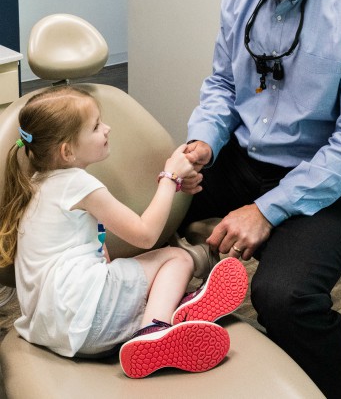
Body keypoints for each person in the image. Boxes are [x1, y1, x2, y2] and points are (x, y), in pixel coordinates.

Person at [180, 0, 341, 398]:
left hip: (332, 182)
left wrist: (267, 209)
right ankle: (153, 334)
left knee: (285, 295)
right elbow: (222, 82)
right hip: (246, 157)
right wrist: (204, 141)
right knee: (147, 208)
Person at [0, 85, 248, 379]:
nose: (107, 128)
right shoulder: (79, 184)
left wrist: (175, 184)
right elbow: (145, 235)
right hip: (90, 321)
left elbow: (91, 246)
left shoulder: (36, 183)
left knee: (137, 277)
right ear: (67, 151)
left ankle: (180, 310)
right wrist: (170, 177)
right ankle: (153, 332)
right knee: (176, 259)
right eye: (95, 126)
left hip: (54, 330)